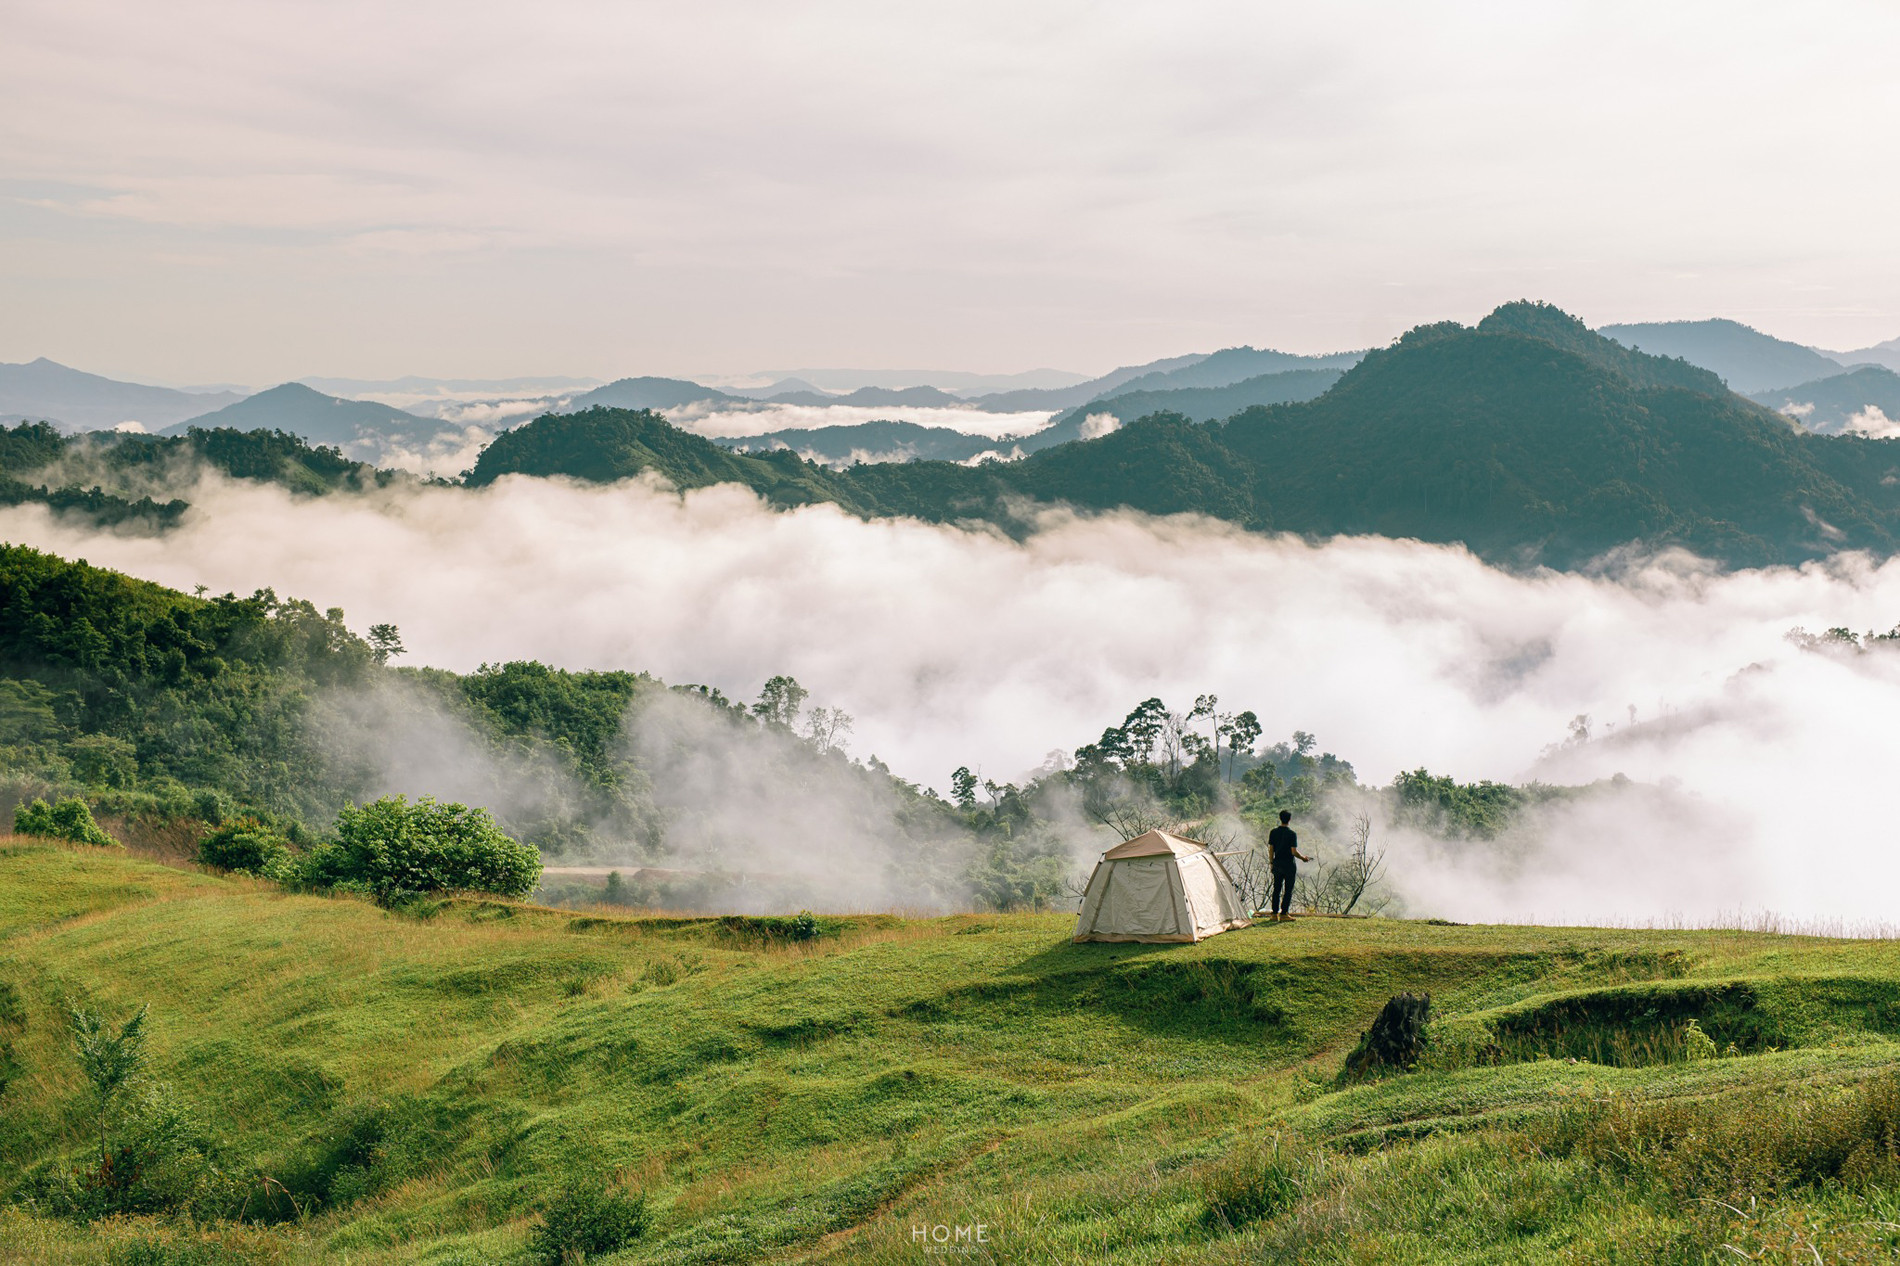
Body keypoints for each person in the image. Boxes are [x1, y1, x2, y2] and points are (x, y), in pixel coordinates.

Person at [1265, 809, 1310, 922]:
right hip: (1289, 865)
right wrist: (1303, 858)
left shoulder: (1273, 832)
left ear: (1280, 818)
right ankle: (1284, 914)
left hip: (1277, 863)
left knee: (1277, 889)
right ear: (1289, 820)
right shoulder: (1291, 834)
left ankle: (1274, 914)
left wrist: (1271, 862)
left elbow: (1271, 849)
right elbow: (1293, 852)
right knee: (1288, 889)